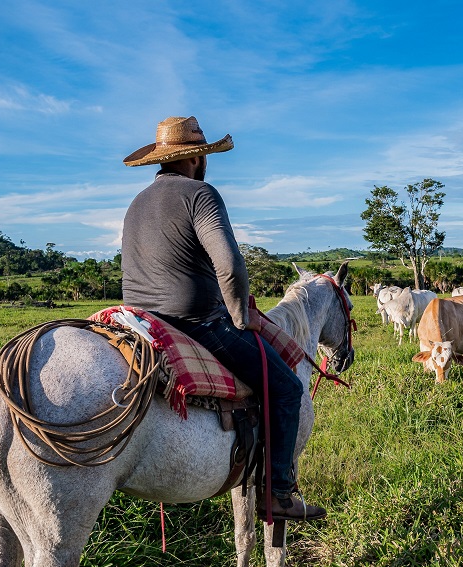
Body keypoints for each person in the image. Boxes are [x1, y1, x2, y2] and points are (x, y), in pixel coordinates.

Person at [120, 116, 325, 521]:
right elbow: (230, 266)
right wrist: (237, 316)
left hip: (139, 319)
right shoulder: (201, 194)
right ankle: (279, 492)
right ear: (196, 158)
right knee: (286, 390)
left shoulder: (137, 202)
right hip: (195, 322)